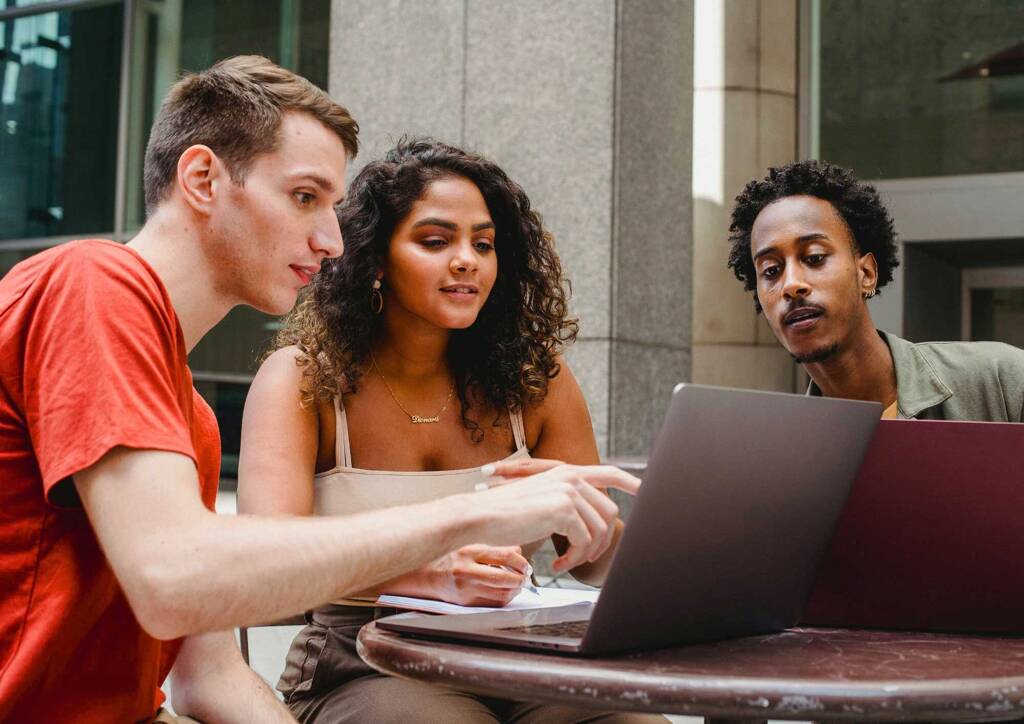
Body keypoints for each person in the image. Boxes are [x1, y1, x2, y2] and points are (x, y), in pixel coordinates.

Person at [0, 57, 639, 723]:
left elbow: (210, 680)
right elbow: (172, 580)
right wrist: (477, 517)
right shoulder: (92, 281)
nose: (333, 241)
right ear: (201, 179)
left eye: (334, 209)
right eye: (305, 197)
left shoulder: (189, 419)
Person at [238, 137, 662, 723]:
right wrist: (429, 576)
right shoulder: (303, 379)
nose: (467, 259)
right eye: (436, 241)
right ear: (376, 258)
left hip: (522, 654)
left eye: (483, 244)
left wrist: (597, 535)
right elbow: (263, 562)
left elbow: (593, 566)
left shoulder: (536, 381)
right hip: (364, 659)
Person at [727, 159, 1024, 421]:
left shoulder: (1002, 381)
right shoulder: (788, 455)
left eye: (814, 257)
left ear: (866, 273)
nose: (791, 284)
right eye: (771, 271)